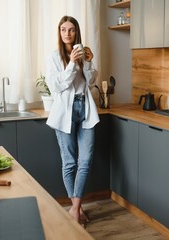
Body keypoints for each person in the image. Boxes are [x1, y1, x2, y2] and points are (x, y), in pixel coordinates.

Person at [45, 15, 99, 226]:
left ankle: (74, 209)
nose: (67, 33)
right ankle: (78, 210)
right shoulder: (53, 57)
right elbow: (56, 86)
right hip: (64, 112)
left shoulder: (85, 54)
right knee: (69, 163)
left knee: (85, 161)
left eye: (72, 30)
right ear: (59, 33)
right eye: (63, 29)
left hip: (84, 108)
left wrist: (87, 62)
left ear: (77, 32)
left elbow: (92, 81)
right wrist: (72, 65)